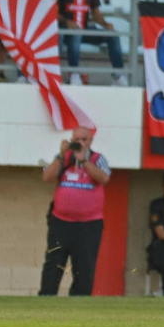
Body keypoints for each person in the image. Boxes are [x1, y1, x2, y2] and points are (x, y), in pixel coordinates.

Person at [37, 125, 110, 297]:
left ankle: (79, 302)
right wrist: (62, 154)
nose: (80, 143)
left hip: (88, 225)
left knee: (84, 267)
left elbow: (104, 178)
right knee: (53, 264)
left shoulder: (98, 158)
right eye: (76, 140)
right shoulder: (64, 158)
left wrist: (84, 161)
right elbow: (47, 177)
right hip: (61, 223)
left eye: (84, 140)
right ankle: (46, 298)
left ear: (90, 141)